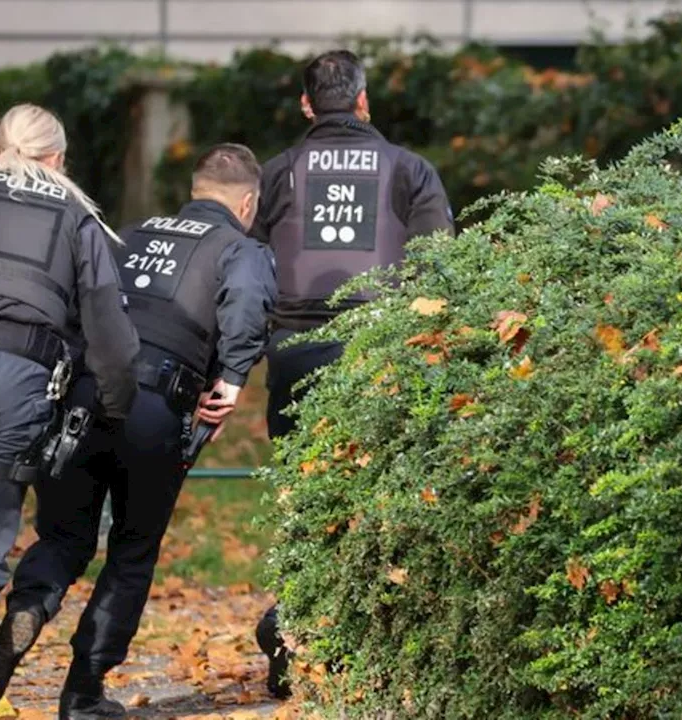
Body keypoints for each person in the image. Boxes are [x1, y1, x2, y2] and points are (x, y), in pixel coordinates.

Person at [0, 144, 277, 719]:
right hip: (158, 410)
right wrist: (233, 376)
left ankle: (27, 610)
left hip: (84, 397)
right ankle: (83, 691)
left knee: (63, 537)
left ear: (194, 188)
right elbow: (249, 303)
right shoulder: (240, 247)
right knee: (131, 553)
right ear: (248, 202)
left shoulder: (126, 231)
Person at [250, 48, 454, 699]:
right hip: (376, 353)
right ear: (364, 100)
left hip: (293, 354)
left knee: (302, 494)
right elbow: (437, 267)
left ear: (307, 105)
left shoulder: (278, 174)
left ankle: (294, 625)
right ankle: (349, 641)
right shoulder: (410, 171)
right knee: (375, 498)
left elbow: (248, 267)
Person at [0, 103, 139, 704]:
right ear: (58, 158)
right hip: (18, 382)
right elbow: (110, 334)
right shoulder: (76, 219)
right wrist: (113, 407)